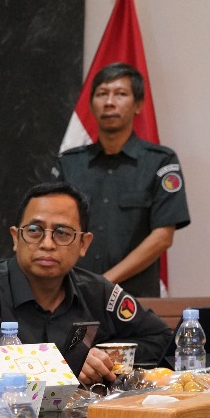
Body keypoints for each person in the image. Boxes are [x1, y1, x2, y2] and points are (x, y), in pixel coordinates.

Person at [0, 181, 171, 385]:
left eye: (62, 233)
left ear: (84, 243)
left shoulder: (97, 291)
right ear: (16, 238)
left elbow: (160, 338)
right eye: (34, 231)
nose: (47, 244)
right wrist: (72, 362)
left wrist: (103, 359)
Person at [56, 62, 190, 297]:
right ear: (91, 105)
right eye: (102, 94)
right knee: (71, 337)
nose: (109, 102)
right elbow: (56, 227)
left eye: (120, 94)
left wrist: (105, 282)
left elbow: (162, 237)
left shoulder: (160, 161)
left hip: (134, 300)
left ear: (138, 105)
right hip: (75, 296)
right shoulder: (70, 163)